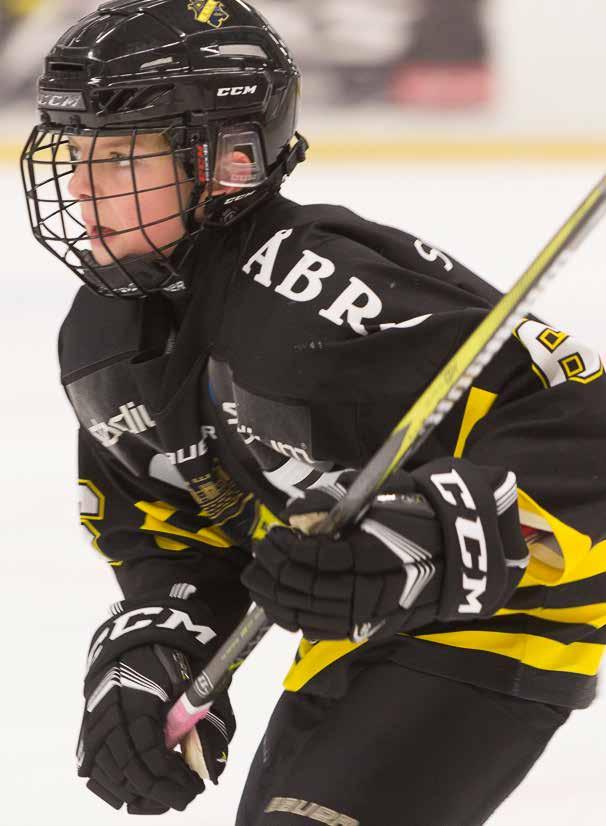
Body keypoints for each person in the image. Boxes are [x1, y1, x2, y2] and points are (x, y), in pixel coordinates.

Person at [20, 0, 606, 823]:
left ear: (224, 161)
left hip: (500, 616)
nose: (78, 184)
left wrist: (427, 537)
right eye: (76, 152)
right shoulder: (108, 334)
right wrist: (159, 643)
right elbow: (171, 526)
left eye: (117, 157)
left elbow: (584, 423)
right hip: (353, 624)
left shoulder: (315, 294)